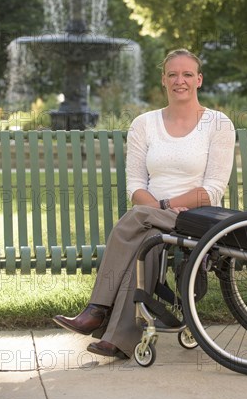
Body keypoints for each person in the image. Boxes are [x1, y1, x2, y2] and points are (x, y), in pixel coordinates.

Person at [53, 48, 236, 359]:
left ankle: (96, 308)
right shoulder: (144, 124)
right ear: (163, 80)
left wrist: (163, 206)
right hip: (152, 217)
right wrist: (158, 211)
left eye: (187, 74)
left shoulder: (218, 124)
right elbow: (136, 185)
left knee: (140, 220)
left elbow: (213, 190)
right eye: (173, 74)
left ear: (199, 80)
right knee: (148, 238)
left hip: (195, 217)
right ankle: (118, 340)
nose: (181, 80)